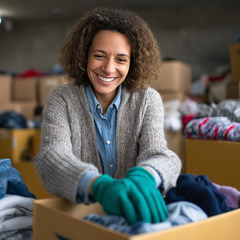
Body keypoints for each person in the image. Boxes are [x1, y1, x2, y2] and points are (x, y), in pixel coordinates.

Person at [35, 7, 181, 224]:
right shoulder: (61, 98)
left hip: (135, 218)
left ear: (133, 63)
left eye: (121, 59)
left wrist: (146, 176)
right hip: (81, 219)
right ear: (84, 56)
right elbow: (51, 157)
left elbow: (161, 155)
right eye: (99, 56)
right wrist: (98, 185)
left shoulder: (147, 100)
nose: (109, 68)